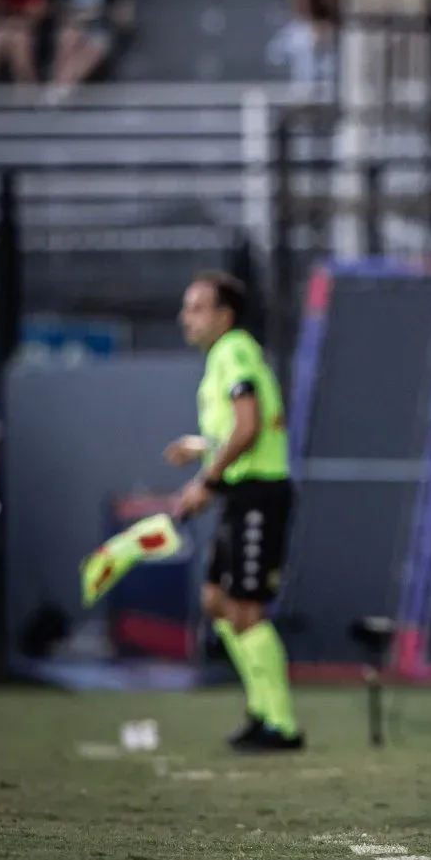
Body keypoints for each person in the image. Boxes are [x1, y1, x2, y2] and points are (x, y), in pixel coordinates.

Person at [165, 272, 303, 752]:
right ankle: (262, 711)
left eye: (196, 307)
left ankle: (281, 724)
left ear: (224, 316)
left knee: (245, 607)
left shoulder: (234, 351)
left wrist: (206, 481)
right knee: (216, 602)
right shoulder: (225, 356)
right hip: (241, 493)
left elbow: (248, 427)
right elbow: (238, 432)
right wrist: (201, 447)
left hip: (259, 493)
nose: (185, 317)